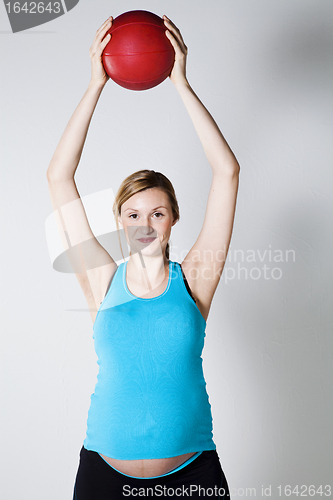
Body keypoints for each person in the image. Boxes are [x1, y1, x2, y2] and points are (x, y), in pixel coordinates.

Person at [46, 14, 240, 500]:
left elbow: (227, 172)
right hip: (103, 475)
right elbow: (58, 177)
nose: (144, 225)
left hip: (192, 474)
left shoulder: (195, 277)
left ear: (173, 219)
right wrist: (95, 85)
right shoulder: (99, 279)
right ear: (119, 221)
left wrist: (180, 82)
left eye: (157, 213)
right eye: (132, 214)